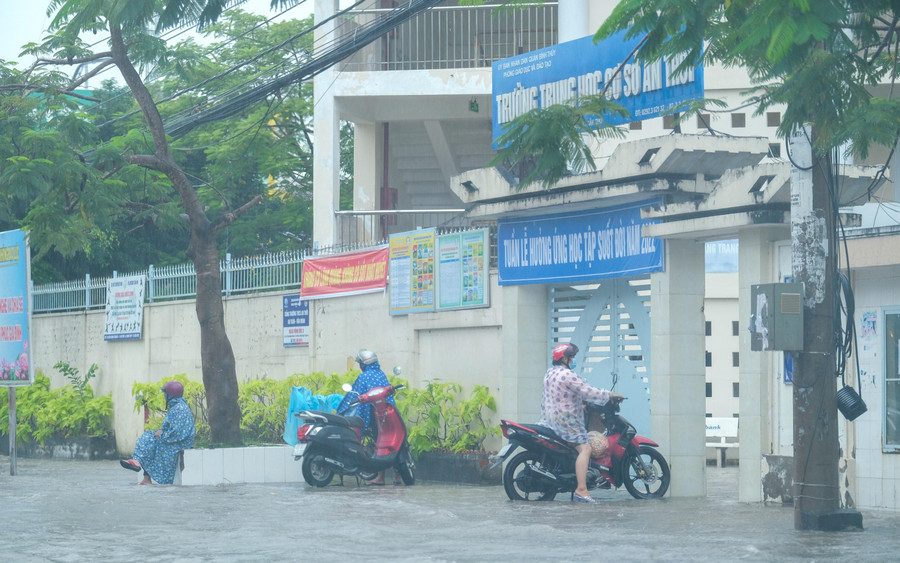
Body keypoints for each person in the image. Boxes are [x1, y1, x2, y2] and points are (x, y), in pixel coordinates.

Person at [538, 343, 624, 503]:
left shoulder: (550, 373)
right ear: (564, 358)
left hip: (550, 419)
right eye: (571, 357)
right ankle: (581, 489)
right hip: (566, 420)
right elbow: (587, 391)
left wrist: (582, 404)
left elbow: (565, 393)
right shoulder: (567, 375)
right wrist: (608, 394)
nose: (573, 360)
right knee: (585, 448)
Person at [336, 349, 397, 485]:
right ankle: (397, 476)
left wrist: (341, 409)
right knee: (393, 441)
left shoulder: (363, 377)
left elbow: (353, 397)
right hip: (390, 414)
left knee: (379, 442)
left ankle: (380, 477)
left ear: (363, 364)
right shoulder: (381, 375)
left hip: (375, 416)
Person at [120, 381, 196, 485]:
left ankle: (142, 469)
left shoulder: (180, 409)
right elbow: (168, 427)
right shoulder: (175, 407)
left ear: (170, 395)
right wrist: (160, 432)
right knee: (148, 438)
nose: (164, 396)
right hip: (171, 438)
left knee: (155, 444)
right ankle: (140, 468)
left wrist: (162, 435)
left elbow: (178, 433)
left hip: (179, 442)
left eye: (165, 394)